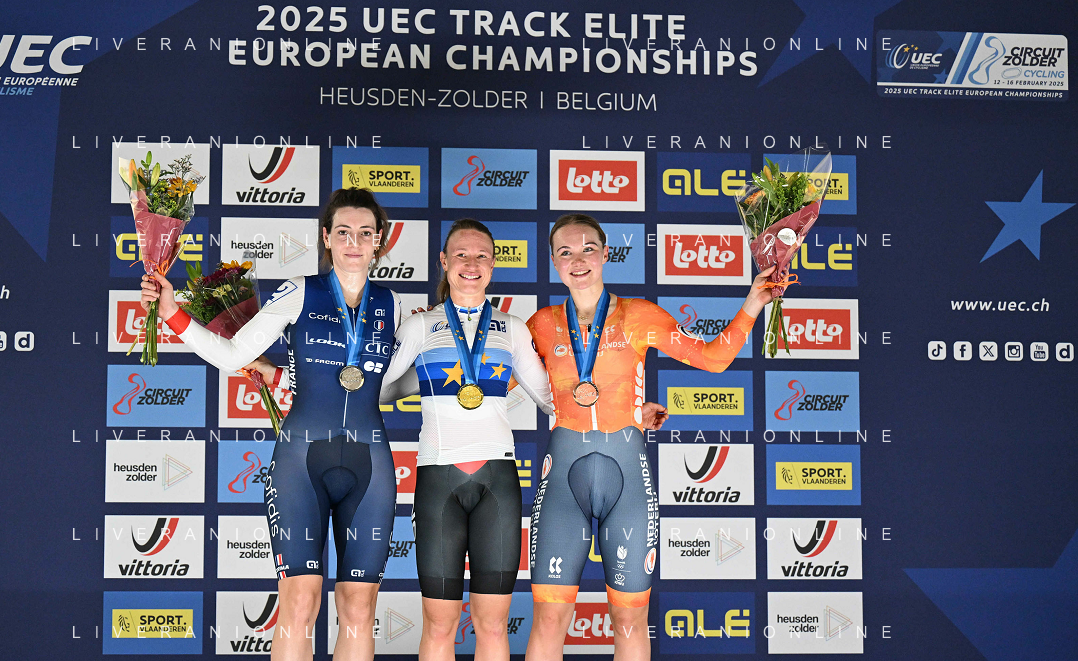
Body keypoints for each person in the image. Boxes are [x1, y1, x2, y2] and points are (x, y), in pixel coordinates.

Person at [140, 187, 401, 661]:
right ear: (326, 237)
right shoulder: (300, 291)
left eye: (365, 233)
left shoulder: (392, 304)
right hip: (301, 462)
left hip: (371, 465)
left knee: (360, 608)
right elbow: (233, 354)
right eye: (343, 232)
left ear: (379, 239)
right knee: (299, 602)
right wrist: (173, 313)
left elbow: (378, 386)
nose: (354, 242)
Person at [524, 213, 781, 661]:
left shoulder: (639, 315)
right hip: (562, 479)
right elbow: (489, 386)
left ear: (606, 254)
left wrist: (754, 302)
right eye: (566, 252)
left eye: (588, 249)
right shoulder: (540, 325)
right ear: (553, 262)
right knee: (548, 619)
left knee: (629, 620)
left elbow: (712, 359)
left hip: (627, 479)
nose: (578, 260)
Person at [378, 219, 554, 661]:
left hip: (498, 479)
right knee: (440, 625)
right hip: (438, 479)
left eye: (481, 256)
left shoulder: (512, 328)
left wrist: (630, 409)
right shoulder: (420, 326)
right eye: (461, 254)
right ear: (444, 261)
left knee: (492, 624)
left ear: (493, 265)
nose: (471, 264)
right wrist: (421, 380)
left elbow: (551, 400)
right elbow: (375, 390)